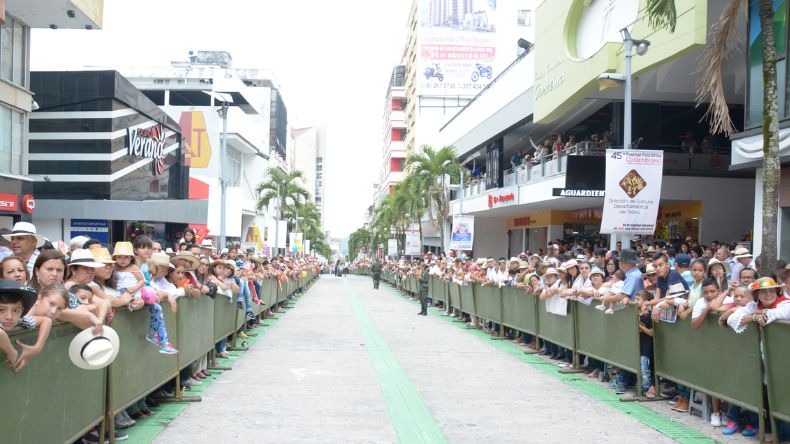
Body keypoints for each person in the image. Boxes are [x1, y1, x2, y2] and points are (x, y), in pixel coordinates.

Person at [635, 290, 656, 399]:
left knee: (644, 368)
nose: (635, 302)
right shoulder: (637, 313)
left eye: (638, 300)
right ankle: (641, 386)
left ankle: (646, 387)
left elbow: (652, 333)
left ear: (646, 302)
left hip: (646, 347)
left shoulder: (649, 316)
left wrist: (639, 325)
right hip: (638, 346)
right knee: (640, 367)